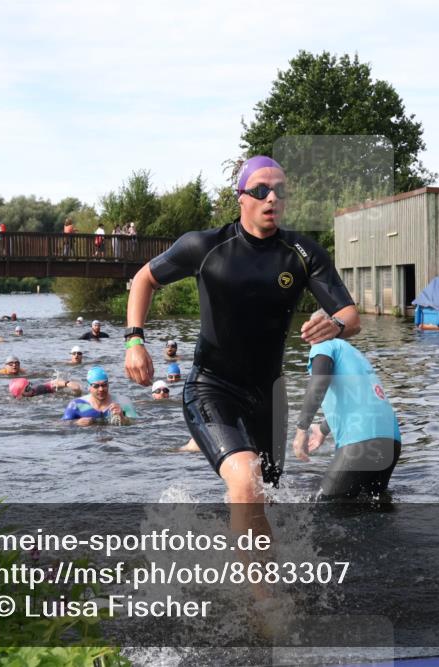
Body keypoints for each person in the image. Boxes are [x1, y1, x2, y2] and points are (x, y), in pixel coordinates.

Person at [123, 155, 359, 540]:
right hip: (212, 387)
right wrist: (135, 340)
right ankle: (264, 601)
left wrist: (334, 324)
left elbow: (351, 316)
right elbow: (143, 279)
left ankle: (252, 570)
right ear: (242, 198)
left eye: (280, 191)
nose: (272, 199)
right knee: (248, 483)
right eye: (261, 190)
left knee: (266, 497)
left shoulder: (301, 253)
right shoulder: (205, 247)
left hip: (269, 396)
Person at [292, 310, 401, 499]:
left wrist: (302, 430)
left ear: (321, 328)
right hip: (391, 440)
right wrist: (323, 428)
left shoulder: (323, 346)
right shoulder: (354, 353)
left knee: (325, 509)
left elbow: (319, 382)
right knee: (372, 507)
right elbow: (362, 400)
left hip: (361, 441)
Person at [62, 367, 135, 426]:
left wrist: (123, 419)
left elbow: (139, 423)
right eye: (96, 386)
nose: (101, 389)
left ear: (108, 384)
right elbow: (60, 424)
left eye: (104, 385)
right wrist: (76, 423)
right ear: (89, 388)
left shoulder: (123, 403)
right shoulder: (76, 405)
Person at [9, 377, 81, 398]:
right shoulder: (18, 400)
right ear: (20, 395)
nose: (31, 388)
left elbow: (54, 383)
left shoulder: (39, 389)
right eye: (27, 389)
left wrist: (66, 383)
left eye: (30, 384)